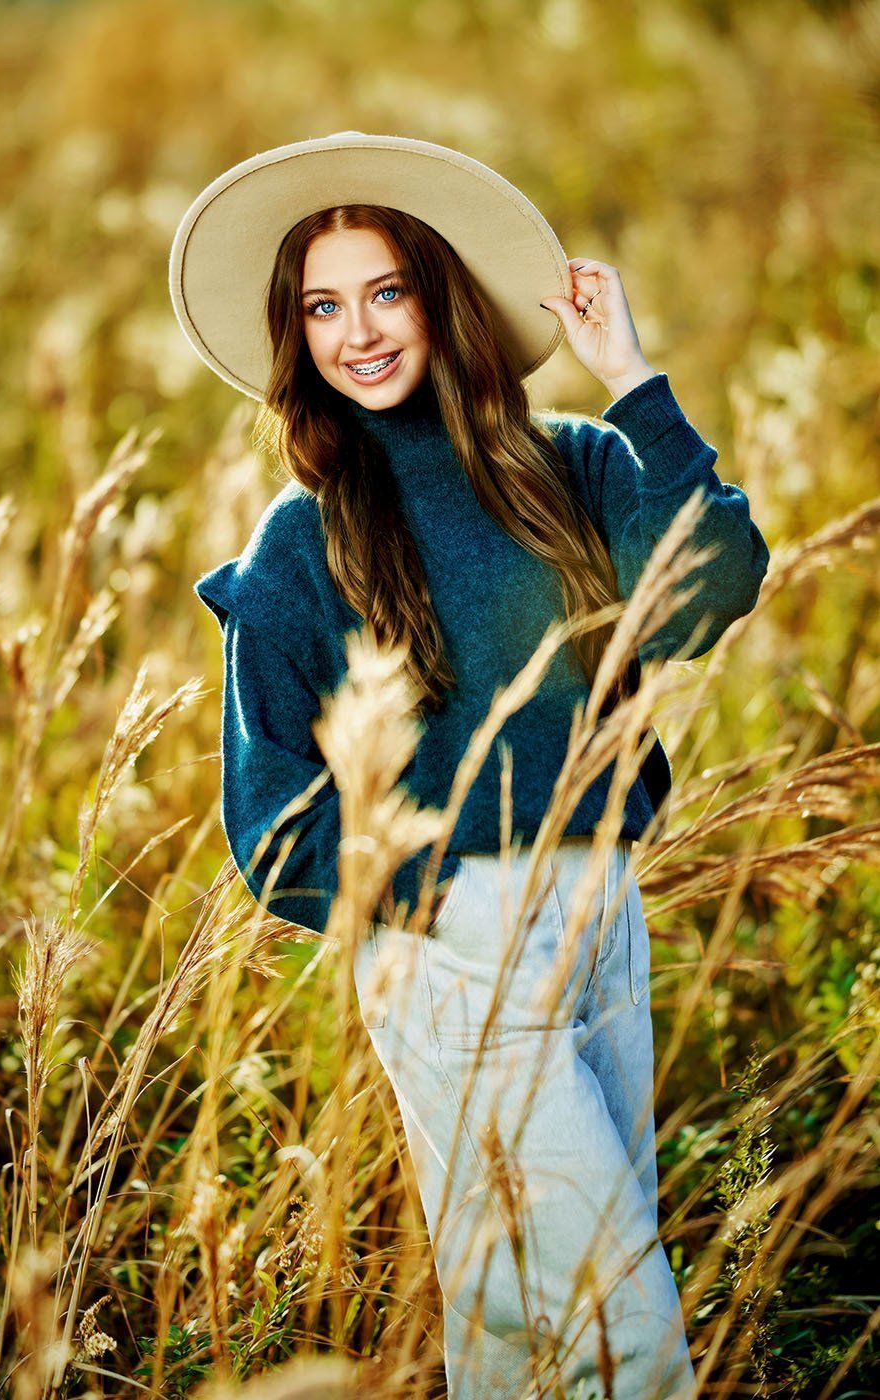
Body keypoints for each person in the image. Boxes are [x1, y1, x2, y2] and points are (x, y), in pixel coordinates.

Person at [169, 132, 770, 1399]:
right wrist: (431, 900)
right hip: (451, 942)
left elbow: (710, 586)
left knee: (522, 1320)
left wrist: (634, 379)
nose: (360, 331)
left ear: (440, 296)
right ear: (296, 335)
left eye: (386, 289)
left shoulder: (576, 463)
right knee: (621, 1325)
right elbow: (269, 808)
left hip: (604, 906)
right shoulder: (304, 540)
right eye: (323, 306)